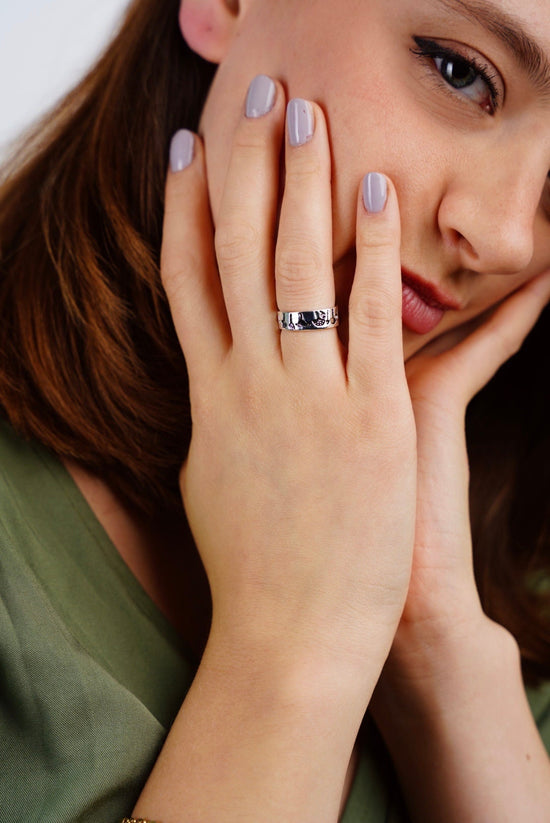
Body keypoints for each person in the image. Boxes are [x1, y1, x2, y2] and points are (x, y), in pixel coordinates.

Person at [1, 0, 549, 819]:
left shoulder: (515, 574)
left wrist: (437, 649)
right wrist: (293, 642)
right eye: (459, 71)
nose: (506, 234)